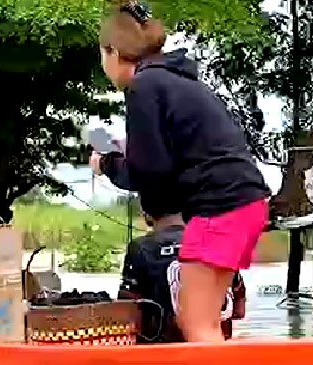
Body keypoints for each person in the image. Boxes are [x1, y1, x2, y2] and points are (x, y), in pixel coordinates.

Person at [90, 1, 270, 343]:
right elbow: (171, 159)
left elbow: (151, 174)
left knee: (195, 323)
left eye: (102, 55)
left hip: (220, 205)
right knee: (208, 322)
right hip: (246, 199)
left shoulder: (143, 87)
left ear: (113, 51)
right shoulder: (174, 79)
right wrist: (132, 152)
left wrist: (108, 164)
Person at [119, 213, 245, 343]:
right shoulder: (219, 242)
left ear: (147, 216)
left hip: (158, 352)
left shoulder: (140, 247)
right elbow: (239, 311)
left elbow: (126, 312)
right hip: (217, 349)